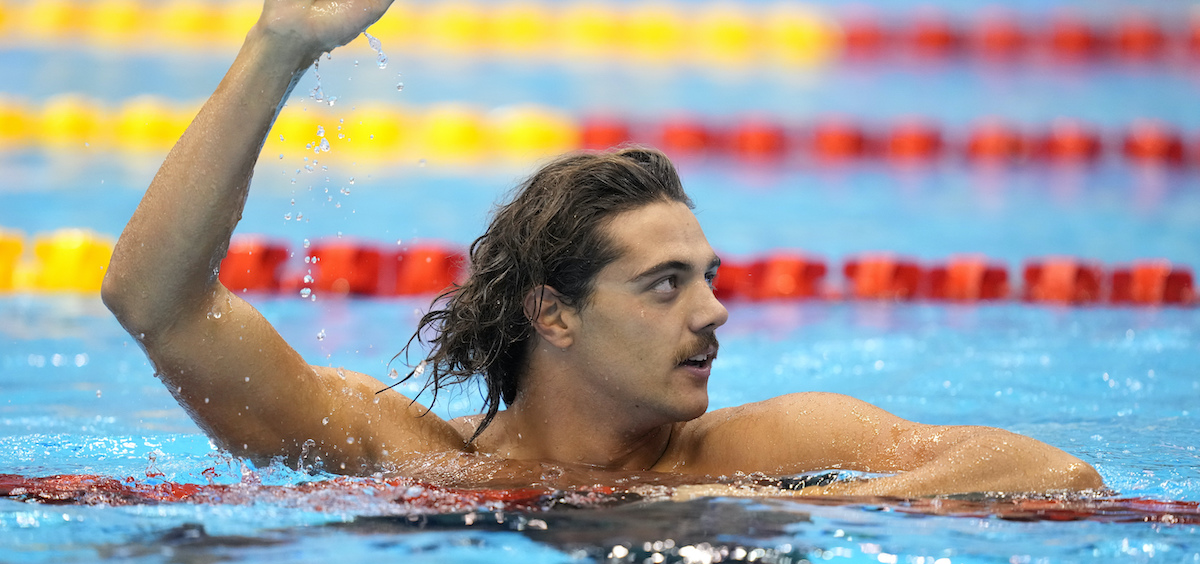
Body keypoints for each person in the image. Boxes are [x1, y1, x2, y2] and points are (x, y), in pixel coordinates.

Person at [102, 0, 1102, 497]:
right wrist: (278, 47)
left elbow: (1054, 476)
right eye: (665, 284)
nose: (712, 312)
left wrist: (802, 517)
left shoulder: (757, 456)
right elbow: (157, 303)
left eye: (707, 279)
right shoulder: (405, 459)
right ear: (554, 312)